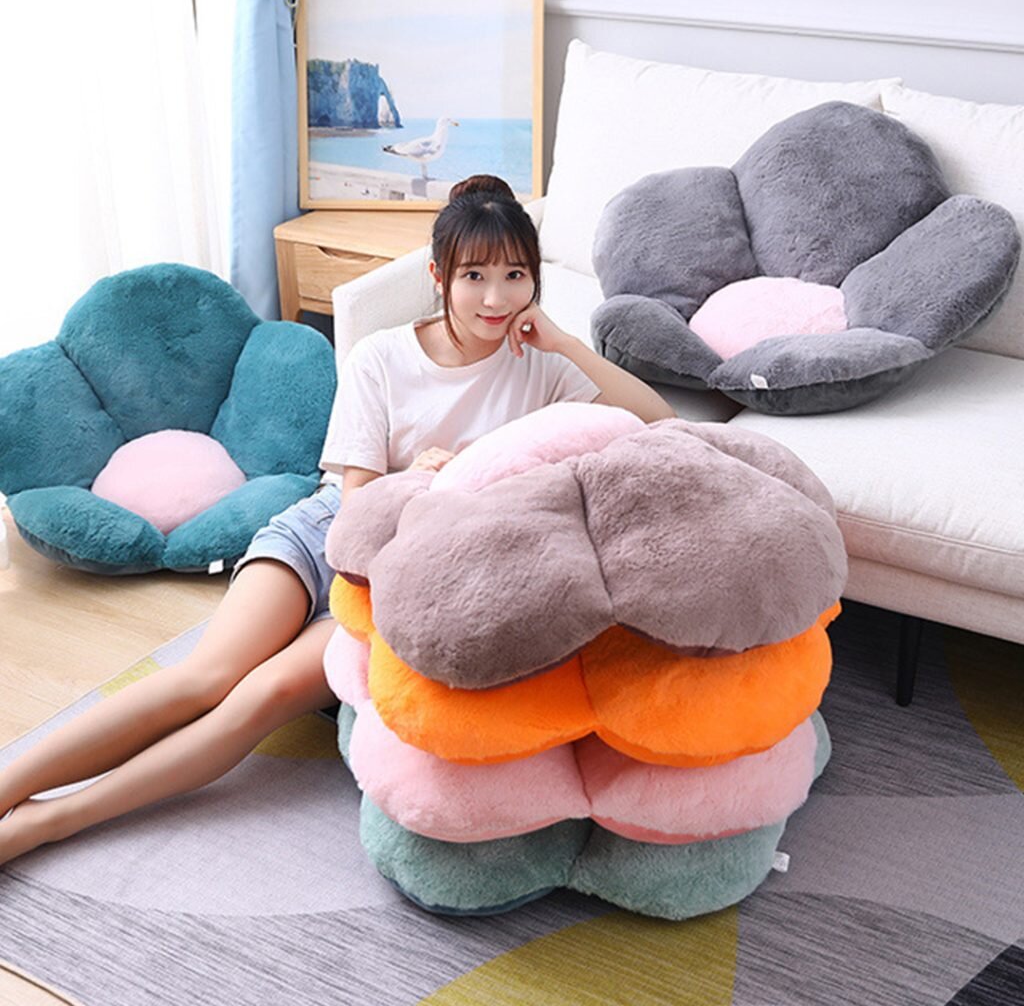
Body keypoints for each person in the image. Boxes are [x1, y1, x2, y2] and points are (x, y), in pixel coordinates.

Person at [0, 175, 673, 865]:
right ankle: (8, 787)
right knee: (205, 677)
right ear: (439, 276)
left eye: (515, 275)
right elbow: (354, 511)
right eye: (474, 275)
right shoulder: (381, 355)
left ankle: (48, 823)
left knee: (259, 699)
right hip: (328, 536)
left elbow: (661, 424)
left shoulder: (541, 368)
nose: (496, 298)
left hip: (399, 587)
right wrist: (419, 483)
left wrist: (567, 345)